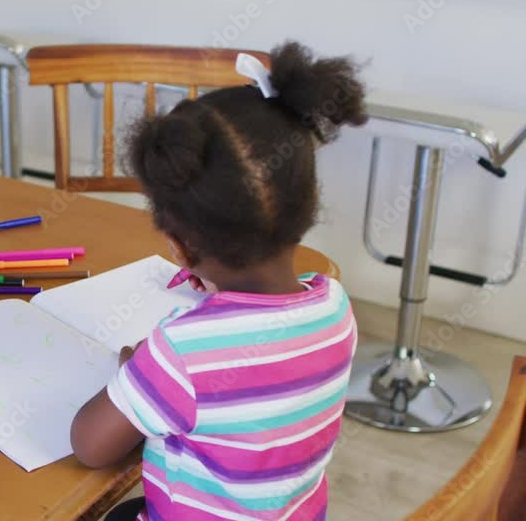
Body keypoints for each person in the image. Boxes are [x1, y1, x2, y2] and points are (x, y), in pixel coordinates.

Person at [71, 42, 366, 521]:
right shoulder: (335, 306)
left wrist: (140, 373)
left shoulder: (183, 351)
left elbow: (89, 445)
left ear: (180, 246)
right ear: (306, 206)